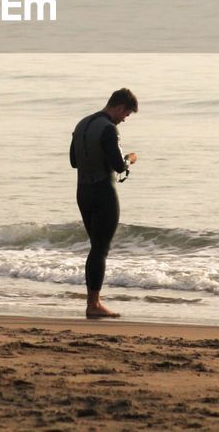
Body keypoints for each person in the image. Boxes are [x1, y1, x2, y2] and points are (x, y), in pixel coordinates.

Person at [70, 88, 139, 319]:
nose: (124, 119)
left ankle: (93, 301)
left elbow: (73, 161)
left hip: (83, 192)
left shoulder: (82, 124)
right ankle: (94, 304)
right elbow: (119, 166)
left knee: (95, 248)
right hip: (103, 192)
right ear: (120, 107)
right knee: (100, 250)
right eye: (126, 115)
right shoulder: (109, 129)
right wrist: (130, 158)